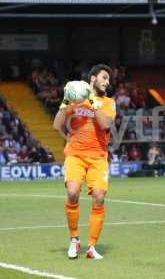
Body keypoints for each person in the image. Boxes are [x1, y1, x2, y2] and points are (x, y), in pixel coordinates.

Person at [53, 64, 116, 259]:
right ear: (93, 78)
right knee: (72, 192)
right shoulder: (75, 101)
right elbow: (57, 125)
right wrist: (65, 102)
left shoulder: (108, 103)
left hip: (98, 157)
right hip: (76, 155)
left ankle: (91, 247)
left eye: (109, 79)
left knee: (98, 197)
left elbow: (105, 124)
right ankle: (74, 239)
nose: (108, 81)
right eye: (104, 77)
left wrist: (91, 102)